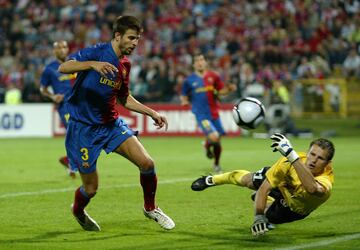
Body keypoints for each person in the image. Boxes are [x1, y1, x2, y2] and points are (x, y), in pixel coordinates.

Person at [58, 15, 175, 231]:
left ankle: (150, 208)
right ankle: (78, 210)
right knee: (91, 189)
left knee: (147, 163)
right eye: (131, 38)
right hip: (83, 129)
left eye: (137, 39)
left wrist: (151, 112)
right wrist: (92, 65)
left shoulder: (125, 65)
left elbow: (124, 99)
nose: (135, 43)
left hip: (110, 126)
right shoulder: (96, 51)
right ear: (118, 35)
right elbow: (64, 67)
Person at [191, 133, 335, 236]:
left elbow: (311, 188)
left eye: (320, 158)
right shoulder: (290, 160)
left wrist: (291, 156)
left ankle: (269, 201)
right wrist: (258, 216)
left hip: (292, 208)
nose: (313, 160)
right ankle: (212, 180)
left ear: (328, 164)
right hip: (281, 184)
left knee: (269, 217)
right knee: (249, 180)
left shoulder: (325, 180)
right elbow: (264, 188)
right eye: (312, 154)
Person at [180, 53, 236, 173]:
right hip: (201, 115)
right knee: (214, 138)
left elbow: (221, 92)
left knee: (217, 140)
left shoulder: (213, 76)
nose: (200, 62)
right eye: (197, 60)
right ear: (194, 64)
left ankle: (215, 162)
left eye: (201, 59)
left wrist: (229, 89)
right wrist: (184, 101)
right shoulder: (189, 80)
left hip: (214, 113)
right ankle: (209, 147)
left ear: (205, 62)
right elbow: (184, 94)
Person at [40, 40, 76, 178]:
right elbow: (42, 89)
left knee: (83, 132)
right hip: (65, 105)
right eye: (58, 48)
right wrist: (53, 96)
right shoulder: (49, 69)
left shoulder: (75, 63)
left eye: (64, 47)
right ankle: (73, 164)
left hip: (80, 104)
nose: (62, 50)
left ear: (68, 49)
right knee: (74, 129)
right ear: (54, 51)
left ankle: (71, 161)